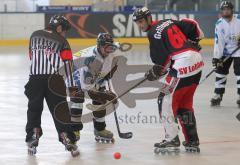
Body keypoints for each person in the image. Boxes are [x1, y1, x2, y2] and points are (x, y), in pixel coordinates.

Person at [132, 7, 204, 153]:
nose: (140, 25)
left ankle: (171, 139)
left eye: (141, 22)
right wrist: (195, 40)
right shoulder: (168, 21)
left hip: (183, 64)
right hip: (197, 61)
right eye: (137, 23)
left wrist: (154, 73)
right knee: (184, 102)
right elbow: (191, 24)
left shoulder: (153, 33)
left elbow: (161, 63)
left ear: (148, 18)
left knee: (163, 99)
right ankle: (192, 140)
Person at [24, 15, 79, 156]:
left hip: (35, 79)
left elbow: (31, 56)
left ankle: (33, 134)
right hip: (54, 80)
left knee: (34, 109)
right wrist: (72, 87)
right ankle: (66, 136)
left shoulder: (34, 35)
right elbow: (68, 65)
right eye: (64, 30)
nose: (64, 33)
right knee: (60, 111)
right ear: (59, 27)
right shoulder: (62, 40)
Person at [70, 33, 118, 143]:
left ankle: (99, 129)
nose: (109, 49)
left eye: (111, 46)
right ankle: (74, 130)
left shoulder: (111, 51)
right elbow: (87, 87)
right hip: (75, 70)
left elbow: (115, 58)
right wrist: (106, 95)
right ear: (99, 46)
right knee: (78, 97)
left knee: (100, 98)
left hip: (94, 72)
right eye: (106, 47)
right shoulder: (91, 60)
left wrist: (110, 71)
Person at [211, 1, 240, 107]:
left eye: (228, 9)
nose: (226, 11)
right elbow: (219, 42)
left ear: (232, 10)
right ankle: (218, 94)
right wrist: (217, 57)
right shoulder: (219, 24)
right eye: (224, 9)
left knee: (239, 71)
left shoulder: (239, 19)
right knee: (220, 71)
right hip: (226, 51)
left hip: (239, 50)